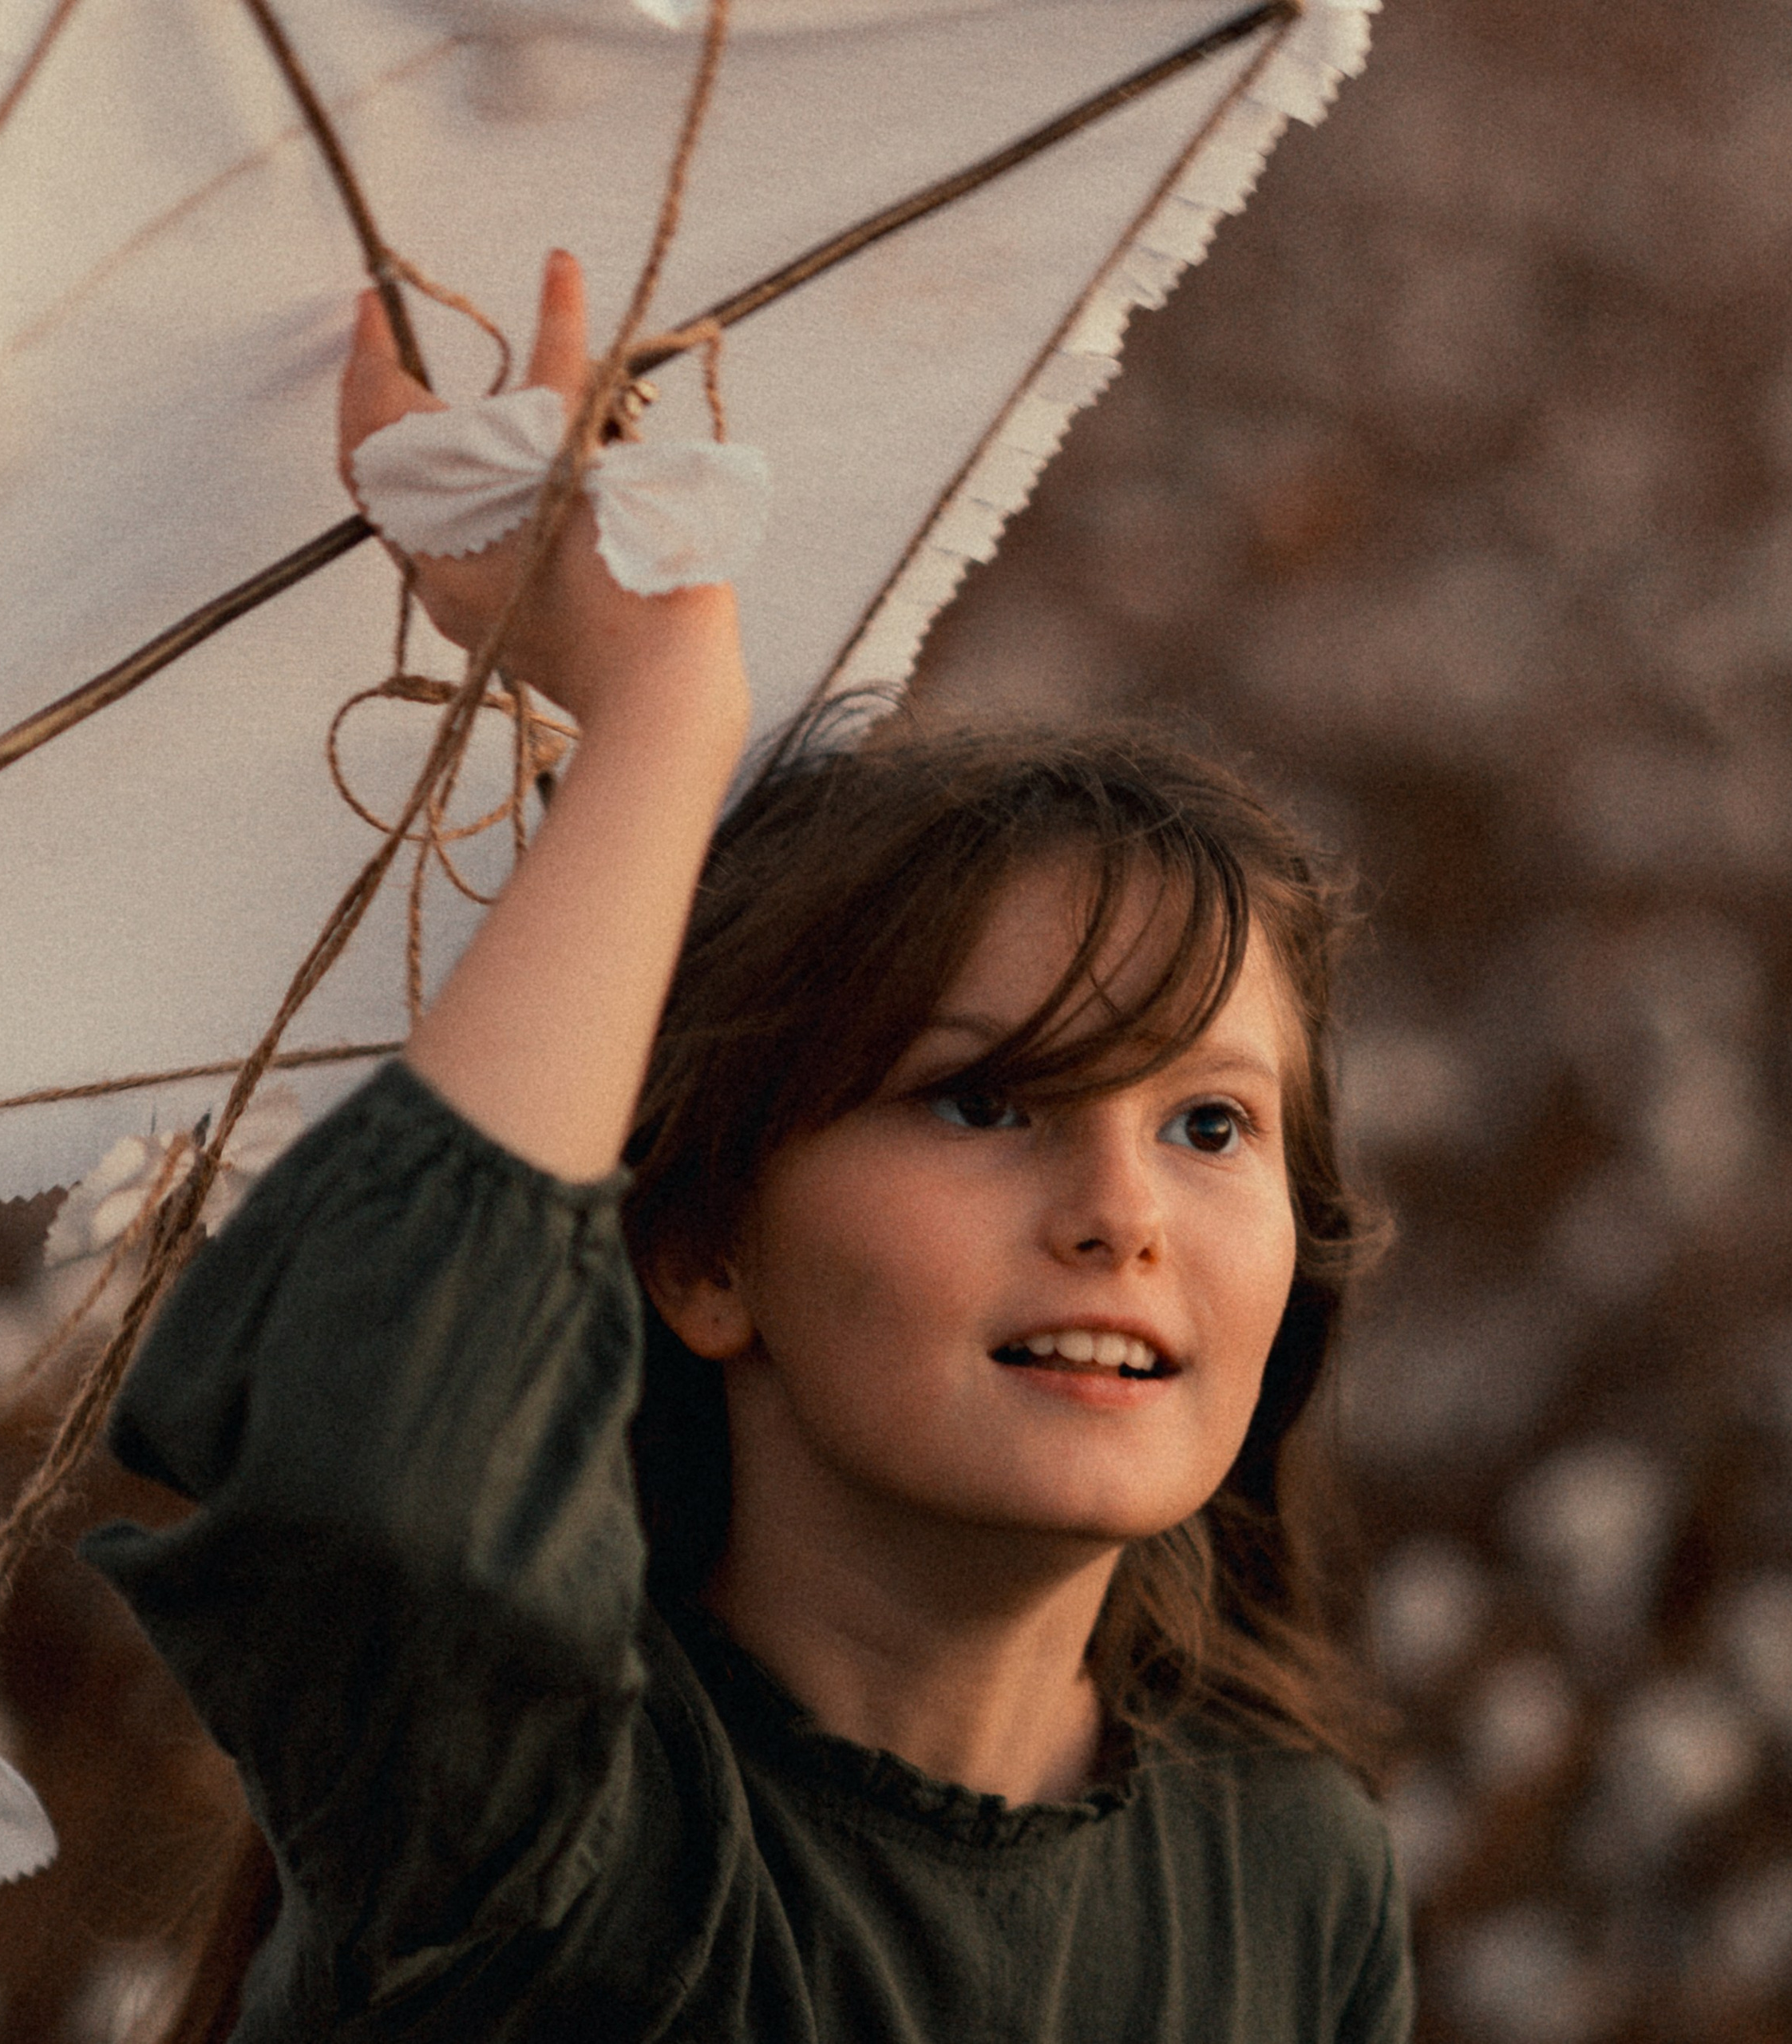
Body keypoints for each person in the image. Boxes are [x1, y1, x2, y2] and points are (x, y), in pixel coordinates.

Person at [83, 252, 1414, 2042]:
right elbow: (381, 1479)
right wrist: (654, 721)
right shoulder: (533, 1825)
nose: (1119, 1213)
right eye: (983, 1101)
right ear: (703, 1249)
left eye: (1206, 1122)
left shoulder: (1287, 1880)